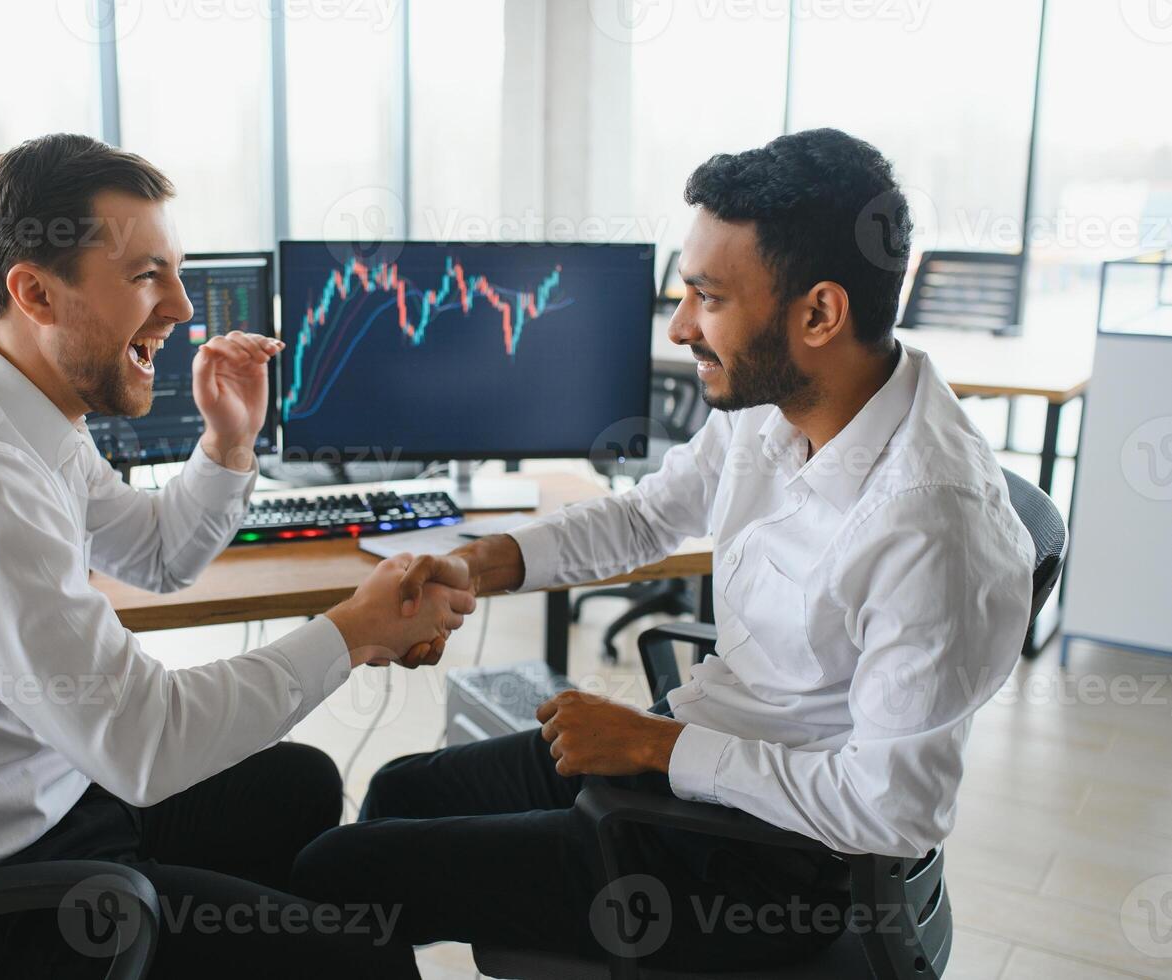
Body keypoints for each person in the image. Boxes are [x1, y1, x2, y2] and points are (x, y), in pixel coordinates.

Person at [291, 128, 1035, 971]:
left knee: (339, 873)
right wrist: (475, 564)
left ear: (819, 312)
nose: (679, 326)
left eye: (707, 297)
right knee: (397, 791)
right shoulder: (775, 408)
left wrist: (652, 747)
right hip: (708, 757)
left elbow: (889, 812)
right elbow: (643, 519)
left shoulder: (933, 525)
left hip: (769, 865)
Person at [0, 133, 473, 977]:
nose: (185, 308)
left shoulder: (26, 418)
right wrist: (352, 631)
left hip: (48, 797)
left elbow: (158, 556)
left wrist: (228, 442)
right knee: (363, 960)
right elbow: (145, 744)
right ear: (35, 293)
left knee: (298, 783)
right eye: (146, 276)